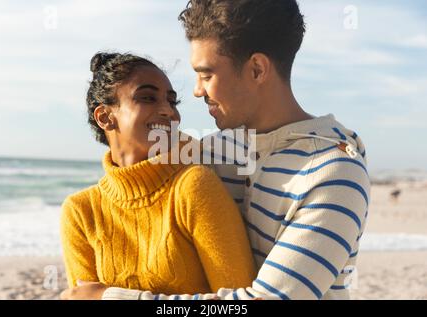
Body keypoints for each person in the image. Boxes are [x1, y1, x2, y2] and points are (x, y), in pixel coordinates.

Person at [95, 0, 370, 300]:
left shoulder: (334, 172)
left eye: (207, 75)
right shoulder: (209, 152)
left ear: (256, 69)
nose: (197, 91)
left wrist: (111, 298)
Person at [59, 52, 256, 300]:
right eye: (147, 98)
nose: (168, 112)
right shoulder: (80, 211)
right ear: (105, 117)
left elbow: (238, 304)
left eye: (172, 102)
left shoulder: (193, 187)